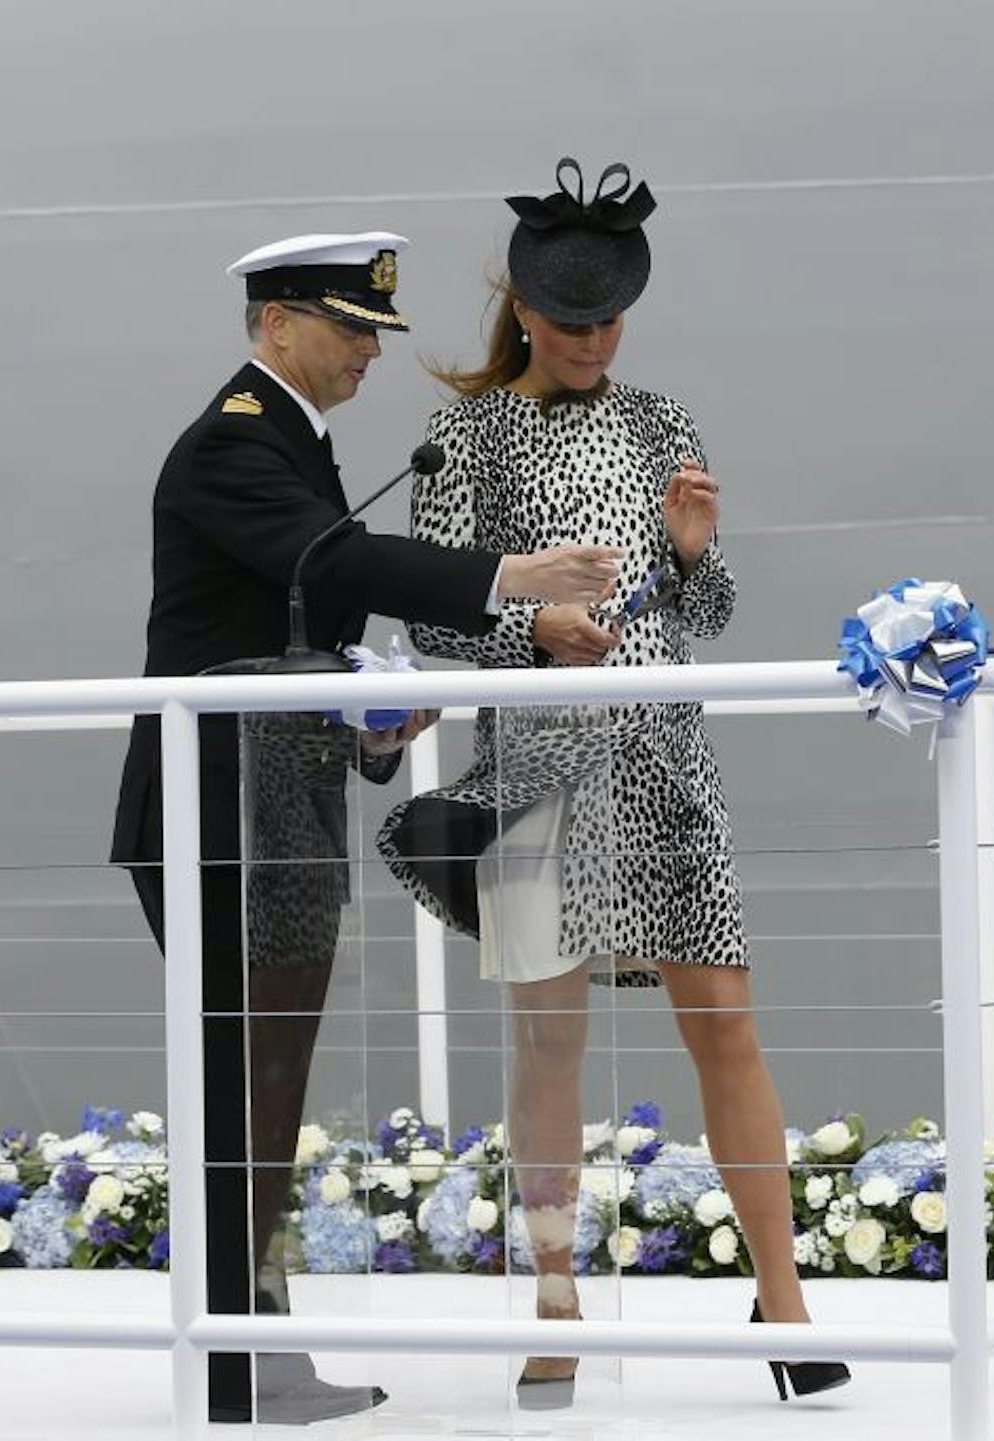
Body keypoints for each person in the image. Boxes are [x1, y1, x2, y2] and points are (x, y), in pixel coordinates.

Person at [108, 230, 622, 1426]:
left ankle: (252, 1346)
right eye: (348, 328)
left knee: (264, 1082)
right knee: (246, 1083)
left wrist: (376, 727)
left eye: (373, 333)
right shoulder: (236, 441)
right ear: (276, 322)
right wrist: (513, 579)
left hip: (272, 799)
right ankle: (240, 1360)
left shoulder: (293, 444)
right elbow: (333, 560)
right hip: (217, 809)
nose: (366, 354)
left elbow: (306, 618)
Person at [379, 161, 850, 1408]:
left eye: (609, 320)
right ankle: (553, 1294)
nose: (593, 340)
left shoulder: (661, 420)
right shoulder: (469, 436)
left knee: (727, 1026)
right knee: (550, 1041)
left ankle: (785, 1296)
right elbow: (437, 624)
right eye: (572, 320)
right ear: (526, 312)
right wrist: (531, 636)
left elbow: (711, 610)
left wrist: (692, 552)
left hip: (664, 758)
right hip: (537, 763)